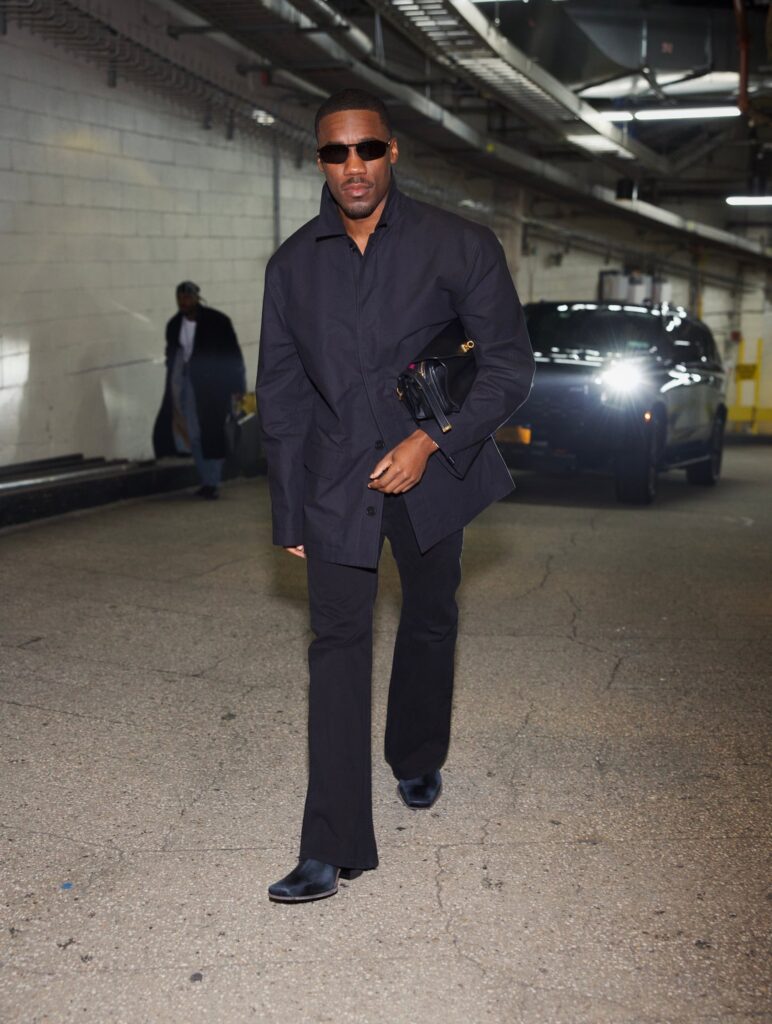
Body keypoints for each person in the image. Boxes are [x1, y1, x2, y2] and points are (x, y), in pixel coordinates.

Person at [256, 88, 534, 903]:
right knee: (336, 644)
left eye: (367, 149)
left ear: (392, 152)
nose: (353, 166)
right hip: (336, 478)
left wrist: (430, 442)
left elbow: (509, 367)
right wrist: (289, 509)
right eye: (336, 152)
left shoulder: (459, 244)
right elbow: (282, 396)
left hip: (433, 469)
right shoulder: (292, 267)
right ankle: (330, 845)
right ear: (319, 160)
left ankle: (416, 753)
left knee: (430, 612)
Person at [153, 281, 246, 499]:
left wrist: (238, 390)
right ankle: (207, 479)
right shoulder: (174, 325)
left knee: (213, 431)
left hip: (214, 387)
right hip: (187, 383)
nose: (183, 302)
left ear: (197, 298)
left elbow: (233, 356)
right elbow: (173, 355)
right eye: (180, 298)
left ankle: (213, 481)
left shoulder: (218, 322)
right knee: (192, 434)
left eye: (187, 297)